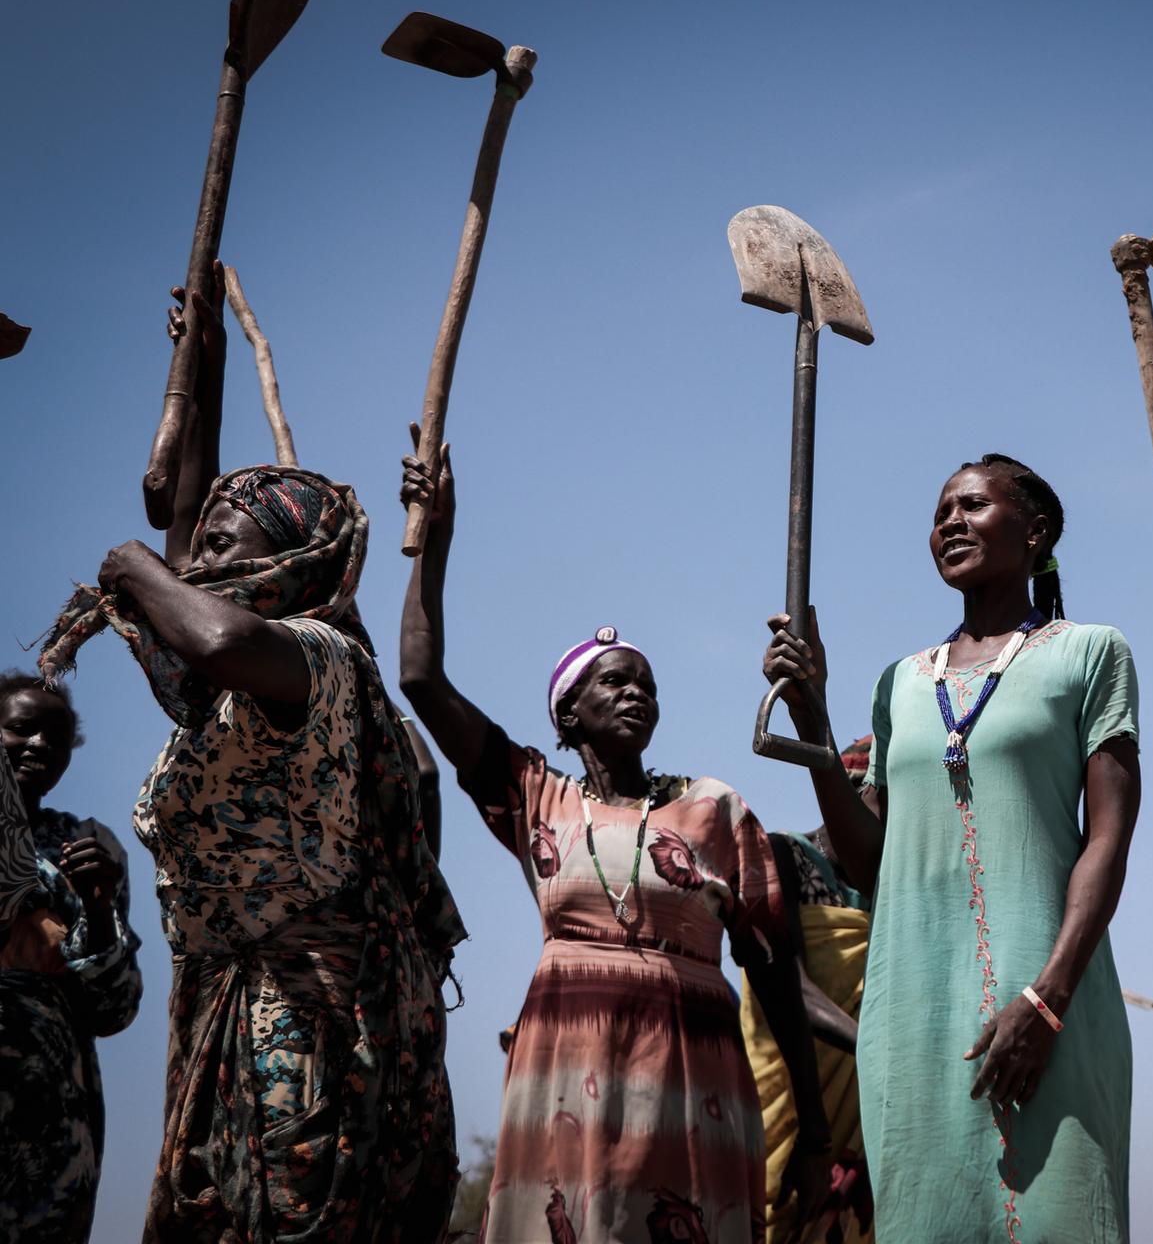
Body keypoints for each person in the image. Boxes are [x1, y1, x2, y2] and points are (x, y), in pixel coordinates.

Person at [39, 278, 465, 1241]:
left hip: (302, 1028)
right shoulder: (225, 697)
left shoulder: (311, 658)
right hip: (228, 1008)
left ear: (282, 566)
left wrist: (126, 560)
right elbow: (191, 543)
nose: (192, 561)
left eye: (230, 545)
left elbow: (212, 628)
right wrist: (204, 377)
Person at [398, 436, 830, 1243]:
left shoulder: (716, 810)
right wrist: (436, 536)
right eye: (614, 681)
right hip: (568, 1071)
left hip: (693, 1084)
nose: (636, 693)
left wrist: (815, 1132)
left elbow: (776, 977)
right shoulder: (535, 796)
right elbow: (420, 677)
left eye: (648, 685)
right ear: (568, 712)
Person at [762, 454, 1140, 1243]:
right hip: (912, 1013)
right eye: (940, 513)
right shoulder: (901, 681)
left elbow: (1109, 838)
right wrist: (814, 725)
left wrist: (1049, 999)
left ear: (1035, 533)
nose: (950, 524)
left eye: (972, 506)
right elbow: (871, 865)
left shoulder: (1091, 654)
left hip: (1047, 998)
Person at [0, 674, 142, 1241]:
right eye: (19, 729)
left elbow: (115, 1011)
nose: (38, 745)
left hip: (53, 1115)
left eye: (55, 738)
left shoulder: (87, 846)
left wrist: (100, 907)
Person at [740, 736, 877, 1244]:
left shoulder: (892, 887)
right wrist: (876, 1045)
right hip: (791, 1107)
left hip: (866, 1120)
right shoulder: (782, 856)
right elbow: (789, 987)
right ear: (849, 797)